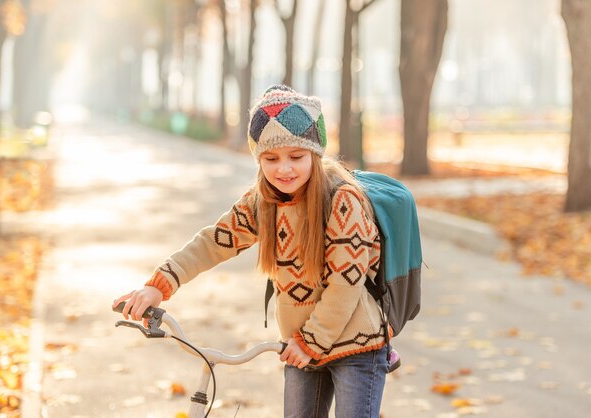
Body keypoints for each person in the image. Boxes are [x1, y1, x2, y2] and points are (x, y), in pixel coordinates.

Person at [113, 85, 394, 418]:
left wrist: (311, 341)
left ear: (315, 155)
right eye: (271, 159)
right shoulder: (263, 201)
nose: (284, 169)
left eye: (296, 156)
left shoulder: (343, 199)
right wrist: (158, 285)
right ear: (258, 158)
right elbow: (212, 242)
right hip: (299, 345)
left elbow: (346, 284)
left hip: (355, 345)